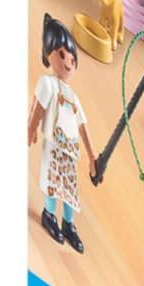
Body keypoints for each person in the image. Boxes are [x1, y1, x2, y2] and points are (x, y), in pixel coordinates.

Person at [28, 15, 100, 253]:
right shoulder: (47, 84)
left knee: (69, 188)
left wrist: (92, 156)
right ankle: (49, 214)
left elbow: (83, 126)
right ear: (48, 54)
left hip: (70, 149)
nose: (68, 62)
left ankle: (68, 223)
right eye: (61, 55)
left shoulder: (73, 97)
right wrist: (31, 127)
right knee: (53, 181)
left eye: (71, 58)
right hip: (54, 144)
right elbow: (38, 106)